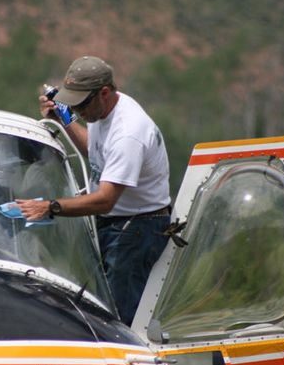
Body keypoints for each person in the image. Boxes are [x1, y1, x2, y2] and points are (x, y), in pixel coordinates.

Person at [17, 56, 171, 325]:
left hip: (137, 229)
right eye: (71, 103)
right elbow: (95, 152)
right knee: (101, 309)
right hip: (119, 221)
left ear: (104, 92)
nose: (78, 110)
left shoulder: (128, 132)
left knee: (121, 321)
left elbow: (105, 201)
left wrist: (50, 207)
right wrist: (63, 119)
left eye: (81, 104)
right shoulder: (100, 111)